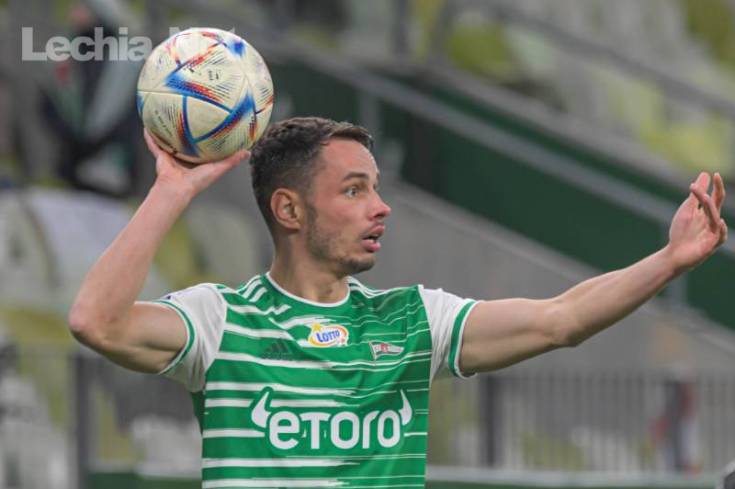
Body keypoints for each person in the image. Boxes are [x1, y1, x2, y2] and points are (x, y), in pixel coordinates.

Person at [69, 116, 728, 488]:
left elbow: (562, 319)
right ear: (289, 210)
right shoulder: (220, 320)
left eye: (377, 188)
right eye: (355, 190)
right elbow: (96, 321)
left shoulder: (412, 319)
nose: (381, 207)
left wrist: (668, 260)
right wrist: (173, 190)